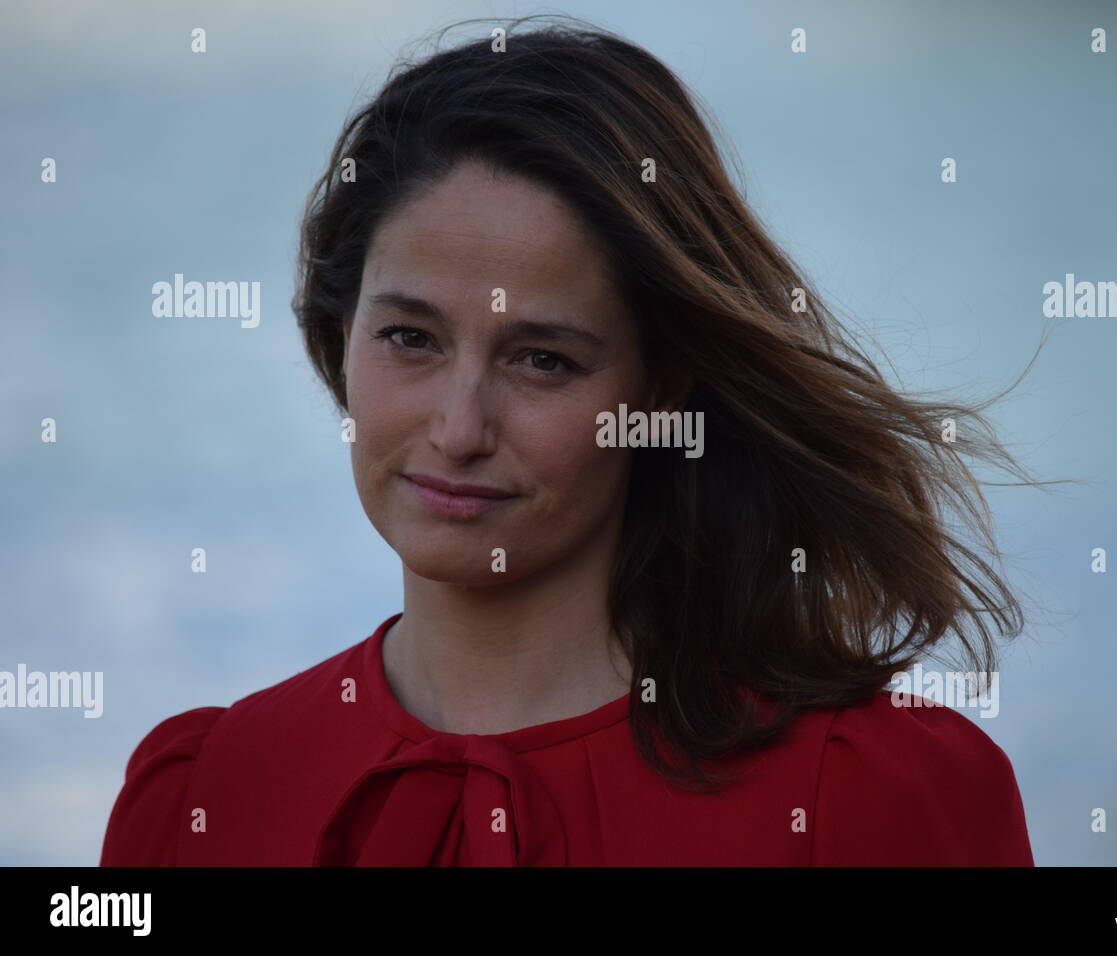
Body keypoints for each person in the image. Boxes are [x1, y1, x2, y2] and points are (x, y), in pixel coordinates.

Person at [101, 15, 1040, 866]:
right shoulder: (205, 801)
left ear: (662, 384)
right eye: (410, 338)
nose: (459, 428)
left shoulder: (872, 798)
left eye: (542, 360)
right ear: (335, 338)